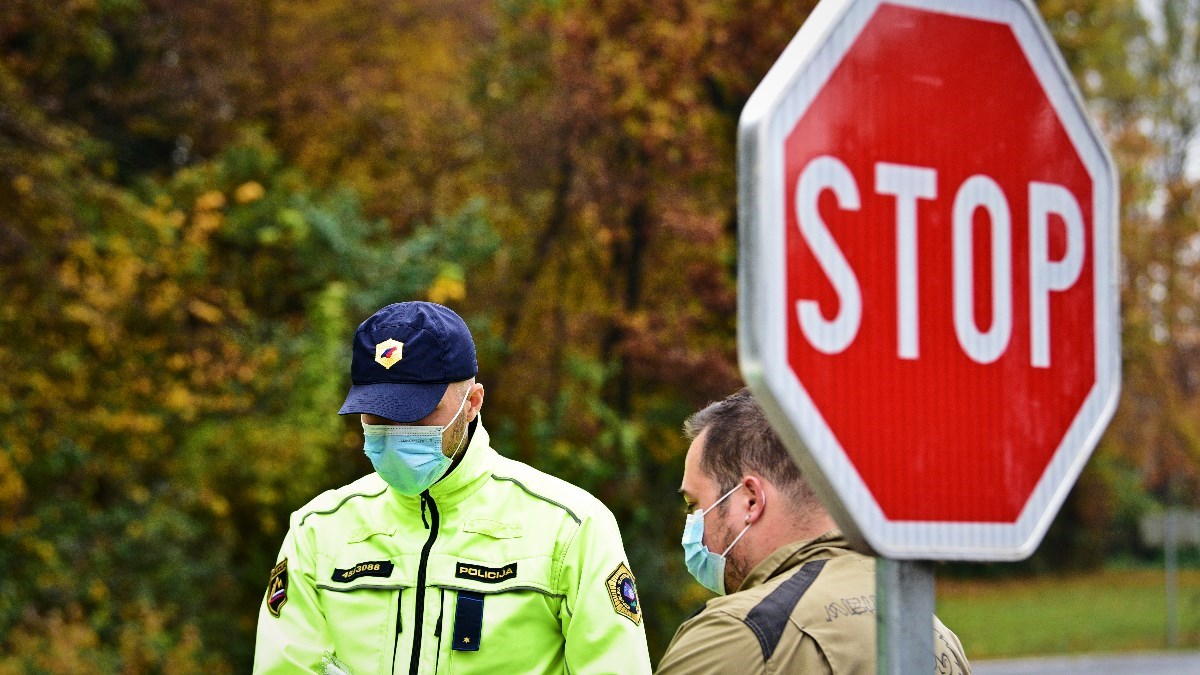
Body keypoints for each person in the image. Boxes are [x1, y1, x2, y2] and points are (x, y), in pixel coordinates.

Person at [254, 301, 652, 674]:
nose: (395, 432)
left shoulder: (570, 527)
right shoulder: (317, 530)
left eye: (416, 413)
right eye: (376, 415)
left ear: (473, 402)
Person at [656, 388, 971, 674]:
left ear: (751, 500)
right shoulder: (933, 634)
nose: (693, 525)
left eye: (693, 505)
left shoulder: (736, 636)